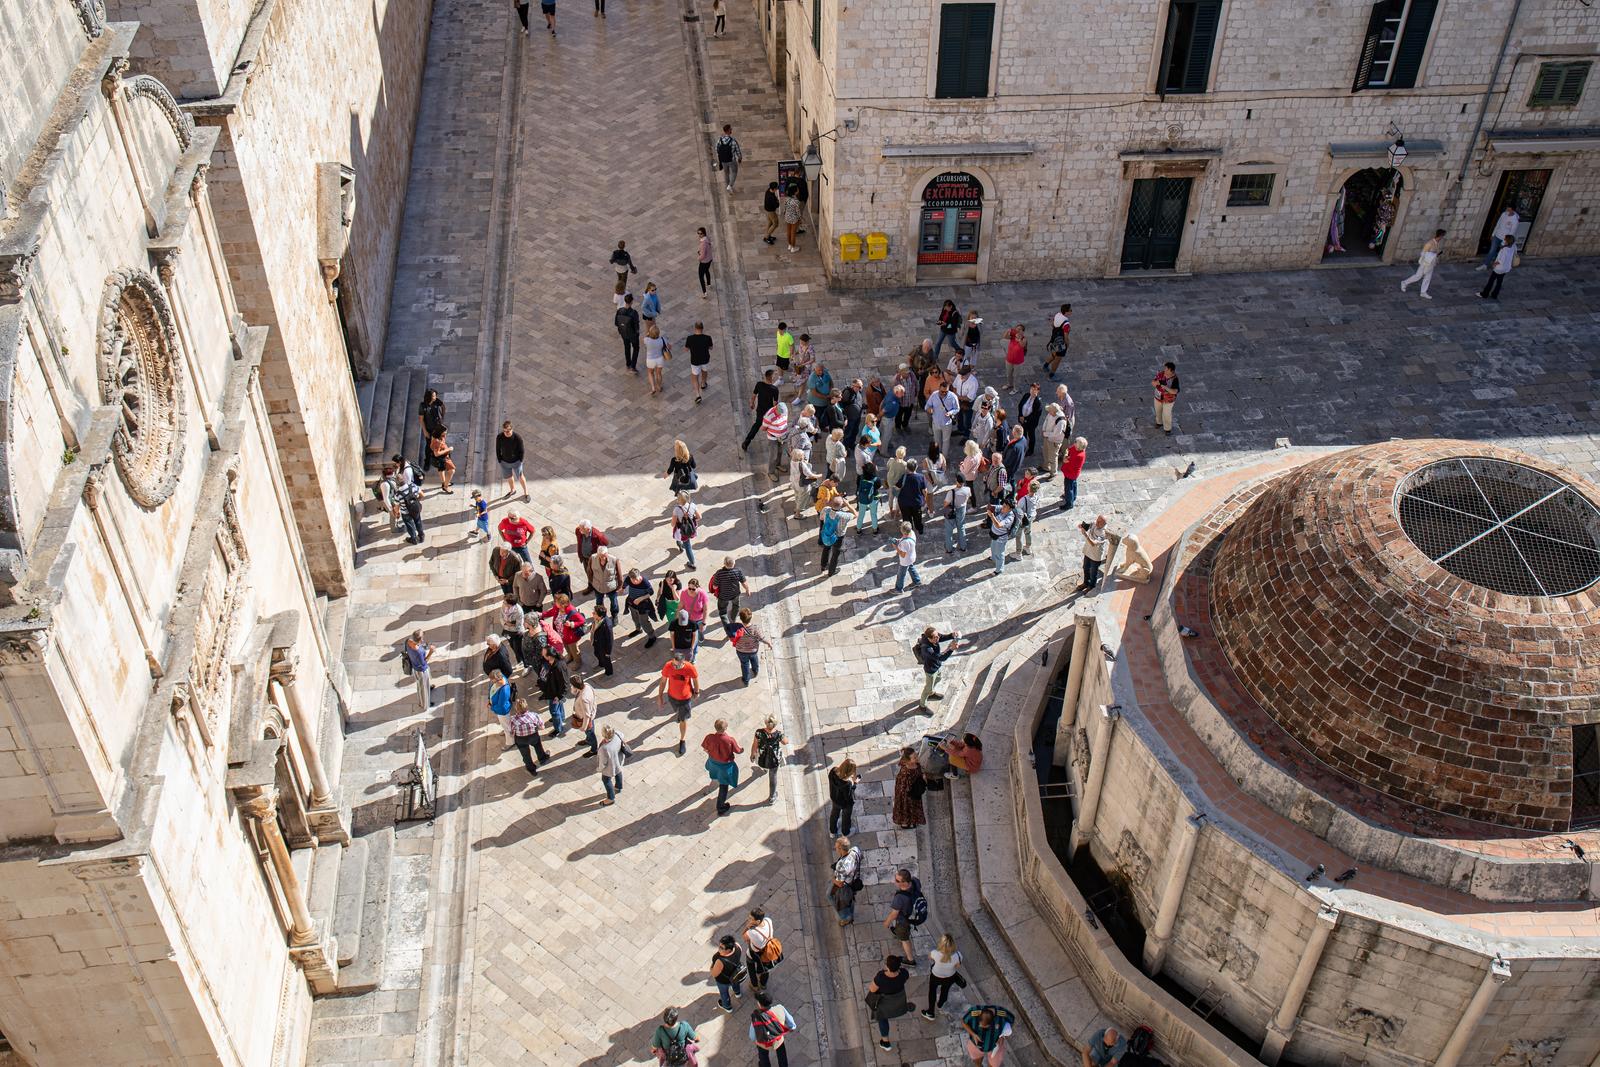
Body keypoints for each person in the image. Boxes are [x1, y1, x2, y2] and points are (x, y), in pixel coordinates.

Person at [657, 649, 700, 756]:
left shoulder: (689, 667)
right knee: (678, 713)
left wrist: (696, 691)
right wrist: (660, 696)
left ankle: (682, 740)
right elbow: (663, 681)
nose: (674, 667)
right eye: (674, 664)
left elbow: (695, 679)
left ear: (683, 663)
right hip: (672, 697)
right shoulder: (668, 666)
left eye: (677, 666)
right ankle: (680, 716)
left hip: (685, 699)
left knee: (683, 719)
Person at [866, 955, 913, 1052]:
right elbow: (905, 977)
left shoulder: (881, 977)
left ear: (887, 966)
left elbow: (872, 989)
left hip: (884, 1005)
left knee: (882, 1019)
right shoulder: (903, 974)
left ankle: (885, 1042)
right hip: (897, 1002)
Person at [702, 719, 744, 815]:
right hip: (725, 766)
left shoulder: (709, 737)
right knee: (724, 786)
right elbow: (738, 751)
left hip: (713, 763)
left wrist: (712, 754)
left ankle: (714, 781)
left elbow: (705, 748)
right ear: (725, 728)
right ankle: (720, 807)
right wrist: (742, 750)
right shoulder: (729, 740)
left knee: (715, 776)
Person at [914, 628, 960, 713]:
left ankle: (931, 693)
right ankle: (922, 706)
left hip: (936, 666)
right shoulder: (927, 649)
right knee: (927, 689)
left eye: (937, 635)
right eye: (935, 637)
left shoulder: (933, 637)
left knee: (938, 678)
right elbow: (941, 657)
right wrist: (951, 649)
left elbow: (941, 637)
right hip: (930, 670)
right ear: (929, 639)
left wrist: (951, 635)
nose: (938, 637)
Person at [748, 990, 797, 1066]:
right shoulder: (780, 1008)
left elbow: (752, 1036)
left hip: (764, 1043)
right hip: (778, 1039)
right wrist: (791, 1028)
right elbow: (792, 1025)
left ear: (760, 1004)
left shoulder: (756, 1017)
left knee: (763, 1056)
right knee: (782, 1055)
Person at [884, 869, 924, 962]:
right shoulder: (915, 881)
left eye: (897, 881)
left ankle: (910, 960)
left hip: (904, 921)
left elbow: (894, 914)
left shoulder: (900, 898)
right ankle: (897, 932)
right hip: (913, 912)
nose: (895, 881)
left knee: (904, 939)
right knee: (901, 931)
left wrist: (887, 923)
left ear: (905, 882)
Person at [923, 934, 966, 1019]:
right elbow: (957, 966)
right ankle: (940, 1004)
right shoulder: (958, 955)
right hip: (949, 977)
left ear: (941, 944)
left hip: (936, 976)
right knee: (945, 990)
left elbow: (930, 957)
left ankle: (930, 1012)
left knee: (932, 991)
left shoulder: (935, 953)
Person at [533, 644, 570, 736]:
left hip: (555, 694)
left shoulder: (559, 666)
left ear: (549, 656)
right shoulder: (546, 661)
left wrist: (559, 696)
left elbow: (565, 684)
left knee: (553, 711)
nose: (542, 655)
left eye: (543, 654)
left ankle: (558, 728)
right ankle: (561, 717)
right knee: (558, 707)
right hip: (549, 690)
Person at [742, 909, 780, 992]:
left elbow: (744, 936)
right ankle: (763, 984)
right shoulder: (768, 921)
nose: (749, 920)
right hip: (768, 951)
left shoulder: (752, 932)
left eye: (751, 919)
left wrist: (748, 926)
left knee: (751, 967)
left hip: (755, 953)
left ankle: (754, 985)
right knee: (765, 969)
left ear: (758, 921)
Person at [1401, 228, 1445, 299]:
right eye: (1442, 236)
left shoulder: (1436, 243)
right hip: (1425, 263)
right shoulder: (1429, 243)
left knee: (1427, 278)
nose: (1442, 238)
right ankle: (1404, 283)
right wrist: (1432, 254)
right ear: (1440, 236)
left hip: (1431, 264)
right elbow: (1423, 253)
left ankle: (1423, 292)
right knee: (1418, 276)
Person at [743, 369, 781, 451]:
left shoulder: (759, 384)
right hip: (769, 413)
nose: (775, 377)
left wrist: (752, 403)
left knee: (757, 425)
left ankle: (747, 441)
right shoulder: (774, 389)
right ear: (771, 378)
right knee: (773, 426)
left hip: (760, 410)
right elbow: (775, 403)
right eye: (774, 375)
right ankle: (776, 442)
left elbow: (754, 395)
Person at [731, 607, 772, 685]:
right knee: (754, 659)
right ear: (751, 617)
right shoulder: (755, 628)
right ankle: (755, 670)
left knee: (744, 664)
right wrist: (768, 643)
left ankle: (746, 680)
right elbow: (761, 638)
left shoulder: (737, 628)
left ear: (740, 618)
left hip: (741, 651)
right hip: (753, 650)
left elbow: (733, 637)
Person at [508, 698, 547, 776]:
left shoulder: (513, 719)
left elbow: (511, 732)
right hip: (533, 736)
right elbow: (542, 727)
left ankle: (531, 769)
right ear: (527, 707)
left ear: (516, 708)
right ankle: (542, 759)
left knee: (525, 755)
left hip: (521, 739)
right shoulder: (534, 715)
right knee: (538, 746)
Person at [752, 715, 786, 802]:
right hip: (774, 758)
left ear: (766, 723)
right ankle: (772, 797)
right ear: (774, 724)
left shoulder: (759, 732)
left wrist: (752, 754)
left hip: (763, 755)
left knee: (762, 761)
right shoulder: (778, 734)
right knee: (773, 777)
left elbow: (755, 744)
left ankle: (764, 768)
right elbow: (785, 742)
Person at [710, 556, 749, 634]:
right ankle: (733, 619)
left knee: (722, 612)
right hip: (735, 594)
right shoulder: (738, 571)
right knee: (736, 606)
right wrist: (747, 590)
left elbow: (715, 586)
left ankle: (728, 628)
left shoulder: (719, 573)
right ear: (734, 563)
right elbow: (744, 583)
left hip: (723, 596)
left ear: (724, 564)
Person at [829, 835, 862, 925]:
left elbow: (839, 884)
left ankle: (846, 917)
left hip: (845, 886)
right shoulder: (855, 850)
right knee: (849, 899)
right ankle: (850, 910)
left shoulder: (841, 865)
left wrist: (833, 879)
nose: (835, 849)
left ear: (841, 849)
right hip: (854, 881)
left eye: (836, 847)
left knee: (830, 896)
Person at [893, 749, 927, 829]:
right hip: (907, 795)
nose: (917, 758)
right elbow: (904, 787)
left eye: (916, 755)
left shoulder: (914, 764)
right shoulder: (906, 772)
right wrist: (923, 780)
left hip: (912, 791)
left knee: (913, 809)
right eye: (914, 757)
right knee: (906, 809)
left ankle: (912, 821)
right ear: (908, 760)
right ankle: (905, 824)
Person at [587, 545, 623, 620]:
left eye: (604, 556)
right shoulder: (592, 558)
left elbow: (619, 575)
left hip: (611, 587)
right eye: (600, 556)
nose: (603, 558)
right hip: (598, 587)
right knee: (599, 603)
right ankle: (601, 616)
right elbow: (589, 571)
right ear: (597, 554)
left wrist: (619, 586)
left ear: (607, 553)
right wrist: (592, 582)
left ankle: (614, 615)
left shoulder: (614, 560)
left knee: (614, 603)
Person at [711, 935, 745, 1014]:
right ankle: (737, 993)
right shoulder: (737, 946)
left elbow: (714, 974)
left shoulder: (720, 960)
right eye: (719, 945)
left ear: (728, 950)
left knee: (724, 993)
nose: (719, 948)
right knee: (736, 983)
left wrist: (711, 967)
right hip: (736, 974)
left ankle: (727, 1007)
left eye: (721, 948)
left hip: (724, 980)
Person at [624, 568, 659, 644]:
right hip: (632, 603)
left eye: (636, 579)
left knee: (644, 622)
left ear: (639, 575)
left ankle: (652, 637)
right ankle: (638, 630)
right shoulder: (628, 579)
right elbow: (625, 584)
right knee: (635, 618)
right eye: (632, 580)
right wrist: (622, 588)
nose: (634, 581)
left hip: (643, 606)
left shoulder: (645, 583)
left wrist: (640, 598)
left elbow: (651, 593)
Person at [495, 421, 528, 499]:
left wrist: (520, 461)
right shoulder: (499, 437)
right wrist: (500, 460)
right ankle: (512, 490)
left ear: (512, 429)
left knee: (520, 477)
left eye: (508, 431)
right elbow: (497, 449)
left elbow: (522, 450)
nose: (506, 433)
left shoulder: (517, 438)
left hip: (516, 462)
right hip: (504, 462)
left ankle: (526, 493)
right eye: (504, 431)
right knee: (509, 477)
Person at [819, 497, 851, 577]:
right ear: (841, 505)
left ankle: (823, 566)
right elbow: (856, 515)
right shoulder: (844, 515)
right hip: (838, 537)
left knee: (826, 548)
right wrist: (848, 504)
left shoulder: (826, 509)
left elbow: (821, 518)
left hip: (827, 533)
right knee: (835, 554)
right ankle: (831, 572)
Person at [1480, 206, 1519, 270]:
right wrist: (1493, 234)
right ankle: (1485, 265)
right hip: (1497, 236)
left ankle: (1497, 266)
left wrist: (1505, 242)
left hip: (1505, 239)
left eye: (1509, 209)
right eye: (1507, 209)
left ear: (1512, 210)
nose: (1507, 211)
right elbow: (1498, 224)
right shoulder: (1504, 214)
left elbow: (1512, 232)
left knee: (1501, 253)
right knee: (1492, 251)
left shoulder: (1515, 220)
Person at [570, 671, 599, 755]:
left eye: (572, 685)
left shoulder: (583, 699)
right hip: (589, 715)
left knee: (590, 733)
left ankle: (594, 750)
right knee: (589, 733)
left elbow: (587, 715)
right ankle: (588, 740)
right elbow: (574, 693)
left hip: (585, 719)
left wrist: (584, 727)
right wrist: (574, 688)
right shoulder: (586, 685)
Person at [827, 757, 858, 835]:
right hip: (845, 805)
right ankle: (846, 832)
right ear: (850, 772)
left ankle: (832, 832)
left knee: (834, 814)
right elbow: (849, 798)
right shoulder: (847, 784)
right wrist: (855, 784)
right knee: (846, 818)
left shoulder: (832, 772)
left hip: (835, 799)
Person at [403, 631, 433, 712]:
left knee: (421, 685)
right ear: (420, 639)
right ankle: (424, 704)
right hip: (421, 671)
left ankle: (428, 687)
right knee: (422, 688)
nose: (423, 639)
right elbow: (424, 663)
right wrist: (431, 652)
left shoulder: (408, 641)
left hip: (414, 667)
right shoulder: (418, 652)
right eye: (422, 638)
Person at [670, 492, 700, 570]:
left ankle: (692, 563)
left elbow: (673, 524)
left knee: (687, 546)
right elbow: (699, 517)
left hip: (682, 531)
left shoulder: (677, 509)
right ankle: (680, 545)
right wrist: (690, 521)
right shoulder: (692, 505)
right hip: (691, 528)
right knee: (686, 542)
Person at [986, 499, 1017, 575]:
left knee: (999, 554)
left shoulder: (1010, 518)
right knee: (993, 547)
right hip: (994, 535)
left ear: (1010, 509)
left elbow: (998, 525)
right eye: (1003, 505)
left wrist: (992, 516)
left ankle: (999, 569)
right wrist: (989, 507)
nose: (1002, 507)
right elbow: (994, 507)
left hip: (1001, 539)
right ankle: (993, 558)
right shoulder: (1003, 508)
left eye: (1005, 506)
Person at [416, 387, 445, 469]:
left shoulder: (437, 401)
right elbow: (421, 420)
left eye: (435, 395)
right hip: (429, 428)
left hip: (438, 427)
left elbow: (443, 407)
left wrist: (442, 417)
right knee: (429, 446)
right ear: (429, 397)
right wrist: (425, 431)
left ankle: (439, 458)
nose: (435, 397)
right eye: (434, 396)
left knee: (440, 442)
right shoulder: (423, 406)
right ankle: (427, 462)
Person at [1480, 234, 1516, 300]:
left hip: (1499, 268)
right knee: (1499, 282)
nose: (1504, 240)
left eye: (1505, 239)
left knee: (1491, 281)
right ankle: (1494, 295)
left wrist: (1494, 264)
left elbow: (1501, 260)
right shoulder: (1513, 248)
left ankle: (1484, 294)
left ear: (1507, 241)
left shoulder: (1504, 250)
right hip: (1505, 269)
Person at [1079, 515, 1109, 592]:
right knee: (1085, 568)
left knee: (1093, 572)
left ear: (1104, 524)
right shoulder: (1094, 523)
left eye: (1099, 522)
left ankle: (1091, 586)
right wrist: (1081, 526)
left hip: (1096, 555)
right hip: (1088, 551)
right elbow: (1087, 526)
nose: (1097, 522)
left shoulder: (1104, 533)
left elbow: (1093, 543)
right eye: (1097, 520)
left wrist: (1085, 534)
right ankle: (1086, 583)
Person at [597, 723, 625, 804]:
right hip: (618, 760)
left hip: (609, 767)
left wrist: (599, 769)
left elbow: (603, 763)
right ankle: (618, 787)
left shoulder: (604, 748)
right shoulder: (618, 734)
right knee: (618, 771)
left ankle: (610, 798)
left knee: (606, 780)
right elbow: (622, 736)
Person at [898, 459, 928, 535]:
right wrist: (925, 500)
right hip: (916, 502)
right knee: (918, 518)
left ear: (907, 468)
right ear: (916, 467)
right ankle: (919, 529)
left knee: (907, 518)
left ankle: (908, 531)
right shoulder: (920, 477)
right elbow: (924, 491)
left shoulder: (903, 477)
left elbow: (897, 486)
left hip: (904, 502)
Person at [487, 670, 516, 746]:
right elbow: (492, 689)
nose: (492, 682)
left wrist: (491, 707)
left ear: (498, 679)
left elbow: (501, 705)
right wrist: (489, 700)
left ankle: (510, 742)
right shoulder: (501, 676)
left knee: (507, 727)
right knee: (506, 724)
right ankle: (507, 730)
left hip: (502, 711)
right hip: (499, 709)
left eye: (493, 680)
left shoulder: (504, 690)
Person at [892, 521, 922, 592]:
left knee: (901, 575)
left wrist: (895, 547)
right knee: (911, 567)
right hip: (912, 556)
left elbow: (902, 555)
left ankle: (898, 589)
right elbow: (904, 538)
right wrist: (899, 541)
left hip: (905, 560)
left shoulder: (905, 543)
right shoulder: (912, 533)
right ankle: (917, 581)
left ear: (902, 531)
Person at [615, 292, 642, 372]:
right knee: (636, 348)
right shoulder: (634, 313)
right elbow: (636, 326)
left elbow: (616, 323)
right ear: (632, 302)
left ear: (625, 301)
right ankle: (633, 366)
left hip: (624, 333)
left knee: (627, 348)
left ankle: (628, 364)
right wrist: (637, 333)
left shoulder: (619, 311)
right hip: (633, 335)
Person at [763, 401, 791, 477]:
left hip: (783, 436)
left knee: (780, 452)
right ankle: (771, 472)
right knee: (773, 455)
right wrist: (775, 432)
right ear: (776, 409)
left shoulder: (784, 411)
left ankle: (778, 465)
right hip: (773, 438)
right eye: (780, 414)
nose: (782, 416)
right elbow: (763, 428)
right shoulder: (769, 415)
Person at [945, 478, 972, 555]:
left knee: (949, 530)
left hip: (952, 512)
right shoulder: (968, 489)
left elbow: (945, 504)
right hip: (962, 509)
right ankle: (963, 547)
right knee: (961, 528)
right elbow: (968, 498)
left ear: (957, 482)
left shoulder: (951, 492)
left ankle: (949, 549)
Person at [1152, 361, 1179, 436]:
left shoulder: (1175, 379)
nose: (1165, 371)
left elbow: (1175, 391)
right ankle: (1159, 422)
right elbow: (1153, 383)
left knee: (1166, 414)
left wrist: (1166, 388)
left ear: (1172, 371)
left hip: (1168, 400)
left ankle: (1167, 429)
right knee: (1158, 411)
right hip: (1158, 397)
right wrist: (1157, 383)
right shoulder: (1161, 374)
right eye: (1165, 369)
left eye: (1167, 370)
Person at [642, 323, 669, 396]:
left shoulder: (647, 340)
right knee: (659, 373)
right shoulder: (663, 339)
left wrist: (648, 334)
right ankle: (659, 387)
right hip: (660, 359)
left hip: (650, 360)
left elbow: (644, 338)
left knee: (650, 373)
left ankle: (653, 388)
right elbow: (669, 347)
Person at [1061, 437, 1087, 510]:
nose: (1074, 442)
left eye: (1076, 442)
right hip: (1072, 472)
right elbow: (1068, 449)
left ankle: (1069, 504)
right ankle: (1073, 497)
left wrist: (1065, 456)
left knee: (1068, 488)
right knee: (1073, 485)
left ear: (1079, 446)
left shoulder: (1079, 456)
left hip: (1071, 473)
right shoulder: (1076, 448)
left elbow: (1065, 460)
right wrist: (1066, 455)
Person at [427, 427, 456, 493]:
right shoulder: (436, 441)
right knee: (452, 470)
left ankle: (444, 482)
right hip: (442, 458)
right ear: (439, 433)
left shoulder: (439, 436)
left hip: (442, 457)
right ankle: (445, 487)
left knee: (441, 468)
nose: (446, 434)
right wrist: (448, 449)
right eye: (444, 433)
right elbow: (437, 454)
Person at [855, 460, 881, 534]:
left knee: (861, 514)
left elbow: (858, 485)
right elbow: (878, 487)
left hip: (862, 498)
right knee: (873, 514)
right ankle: (875, 529)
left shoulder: (860, 477)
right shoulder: (876, 479)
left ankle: (858, 529)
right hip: (873, 498)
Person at [1046, 303, 1070, 379]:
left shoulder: (1057, 314)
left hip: (1053, 339)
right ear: (1066, 312)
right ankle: (1051, 376)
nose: (1071, 311)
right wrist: (1067, 345)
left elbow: (1052, 324)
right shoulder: (1066, 324)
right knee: (1057, 359)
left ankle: (1045, 366)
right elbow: (1066, 337)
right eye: (1071, 310)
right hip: (1060, 343)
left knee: (1053, 354)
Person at [1002, 323, 1027, 392]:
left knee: (1016, 376)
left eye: (1020, 329)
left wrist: (1019, 339)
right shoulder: (1012, 336)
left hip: (1018, 362)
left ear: (1023, 331)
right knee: (1008, 374)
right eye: (1017, 329)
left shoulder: (1024, 339)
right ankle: (1009, 384)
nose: (1018, 330)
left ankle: (1016, 388)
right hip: (1009, 360)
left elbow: (1022, 345)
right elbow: (1004, 337)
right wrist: (1008, 331)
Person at [779, 183, 803, 253]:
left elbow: (785, 208)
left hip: (787, 217)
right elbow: (798, 212)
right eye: (797, 189)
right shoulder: (796, 202)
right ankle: (793, 247)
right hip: (794, 219)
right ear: (795, 192)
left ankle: (789, 245)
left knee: (788, 232)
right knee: (793, 233)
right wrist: (800, 219)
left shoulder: (787, 199)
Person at [695, 229, 714, 304]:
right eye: (698, 233)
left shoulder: (703, 243)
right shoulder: (707, 239)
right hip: (709, 259)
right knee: (707, 271)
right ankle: (709, 284)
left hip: (704, 261)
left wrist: (698, 258)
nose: (699, 235)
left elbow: (702, 255)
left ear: (704, 234)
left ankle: (704, 293)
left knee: (701, 276)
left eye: (701, 233)